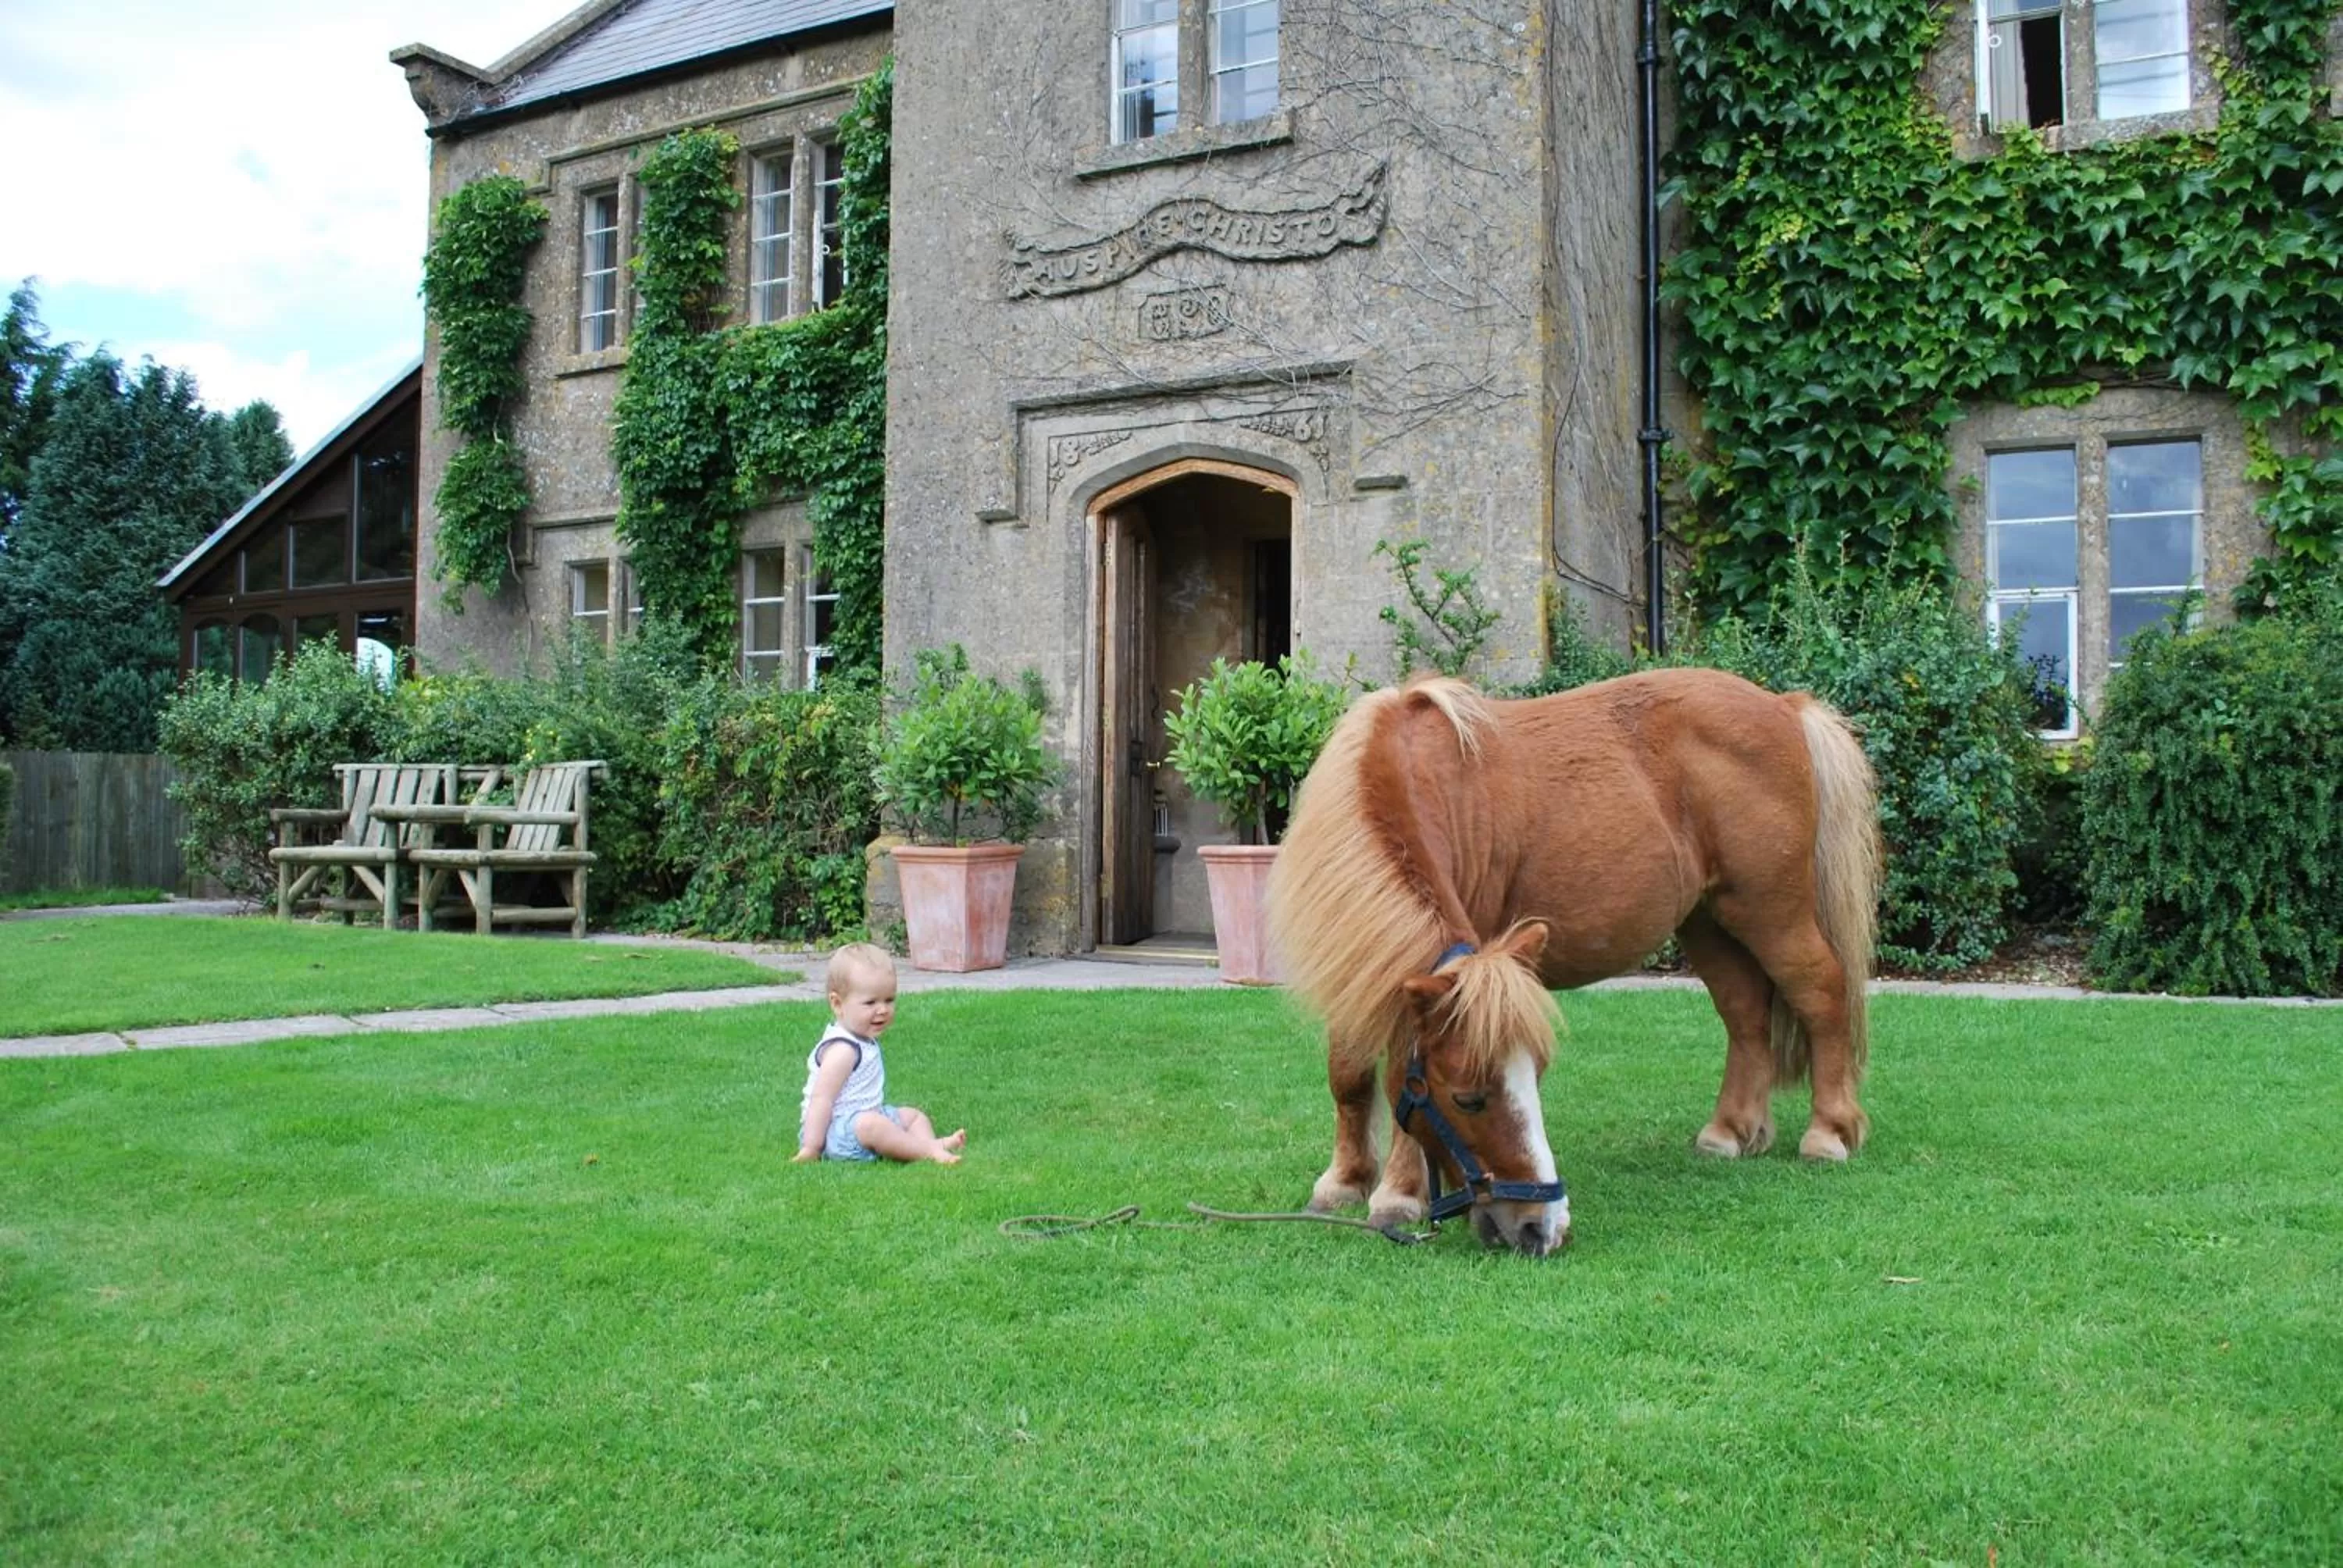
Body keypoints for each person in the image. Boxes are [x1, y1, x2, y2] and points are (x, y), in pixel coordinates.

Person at [793, 943, 966, 1165]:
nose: (883, 1009)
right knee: (872, 1125)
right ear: (838, 1004)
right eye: (870, 1002)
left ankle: (927, 1146)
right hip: (835, 1133)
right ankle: (928, 1151)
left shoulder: (862, 1039)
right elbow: (821, 1100)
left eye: (889, 1000)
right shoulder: (843, 1050)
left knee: (913, 1116)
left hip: (867, 1117)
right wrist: (811, 1147)